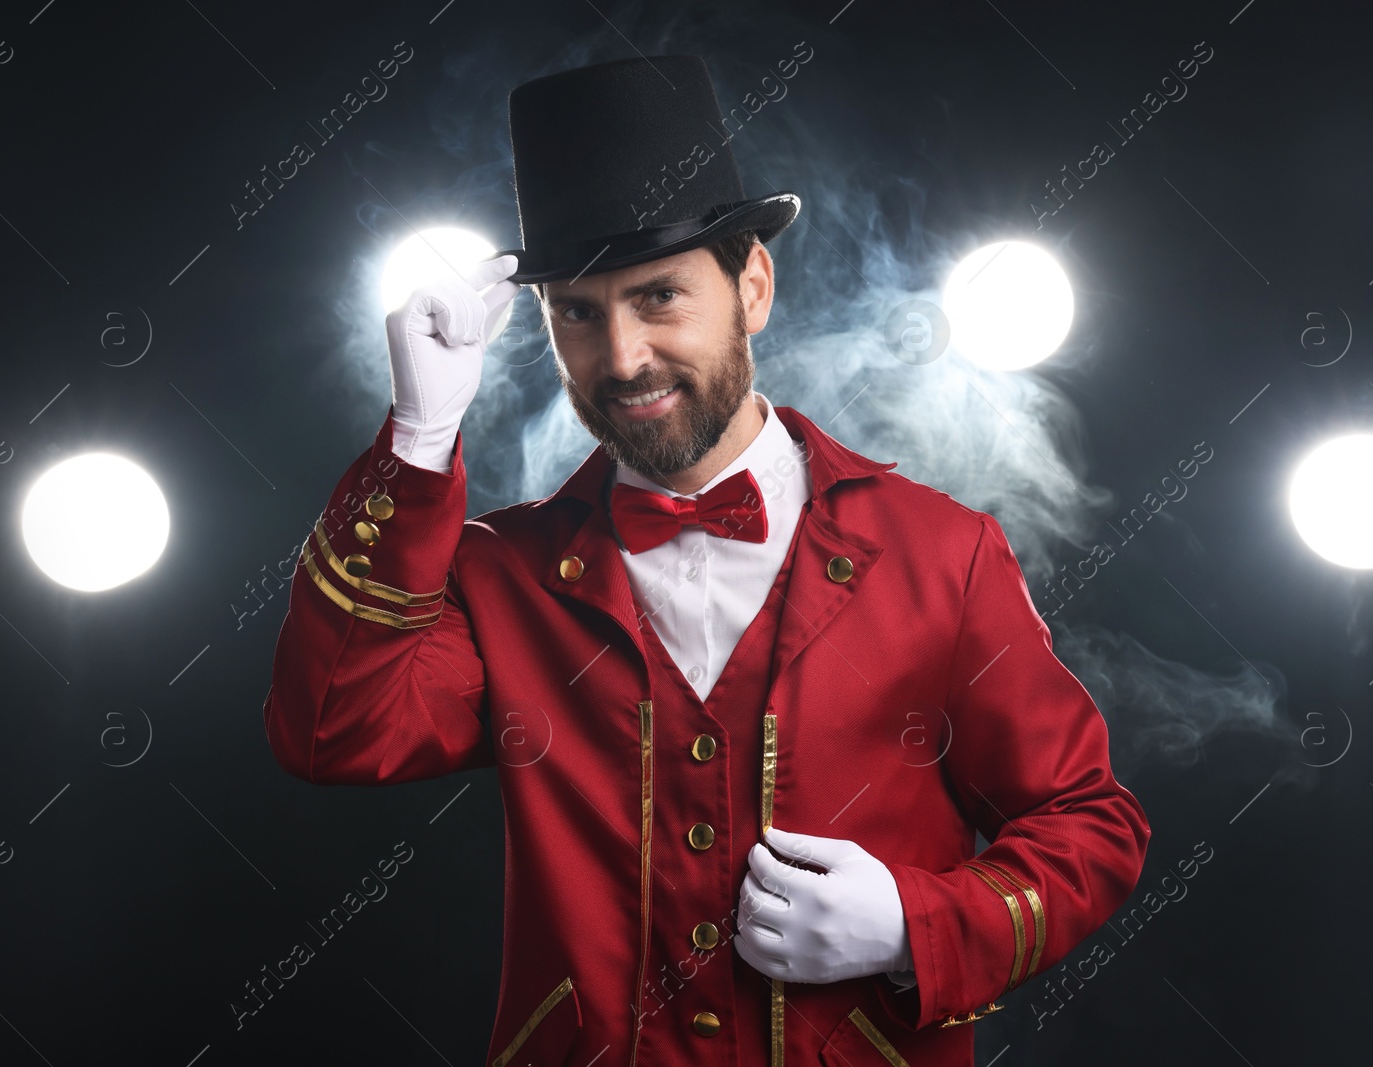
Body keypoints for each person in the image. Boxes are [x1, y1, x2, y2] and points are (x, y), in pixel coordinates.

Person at [263, 54, 1149, 1067]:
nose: (624, 356)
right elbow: (330, 727)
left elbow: (1089, 825)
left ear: (752, 285)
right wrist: (417, 438)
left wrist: (917, 920)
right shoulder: (503, 572)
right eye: (579, 315)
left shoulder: (943, 554)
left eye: (658, 297)